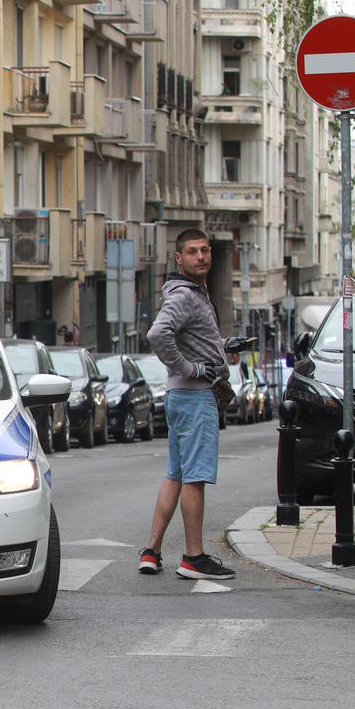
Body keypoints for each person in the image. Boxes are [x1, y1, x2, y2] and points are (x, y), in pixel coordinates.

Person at [140, 228, 236, 581]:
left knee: (175, 475)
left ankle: (151, 551)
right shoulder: (185, 296)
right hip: (195, 395)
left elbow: (191, 336)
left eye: (206, 250)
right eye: (193, 252)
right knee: (195, 477)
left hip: (181, 395)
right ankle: (193, 557)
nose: (201, 257)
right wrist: (188, 367)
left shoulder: (195, 293)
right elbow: (156, 334)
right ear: (178, 258)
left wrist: (222, 346)